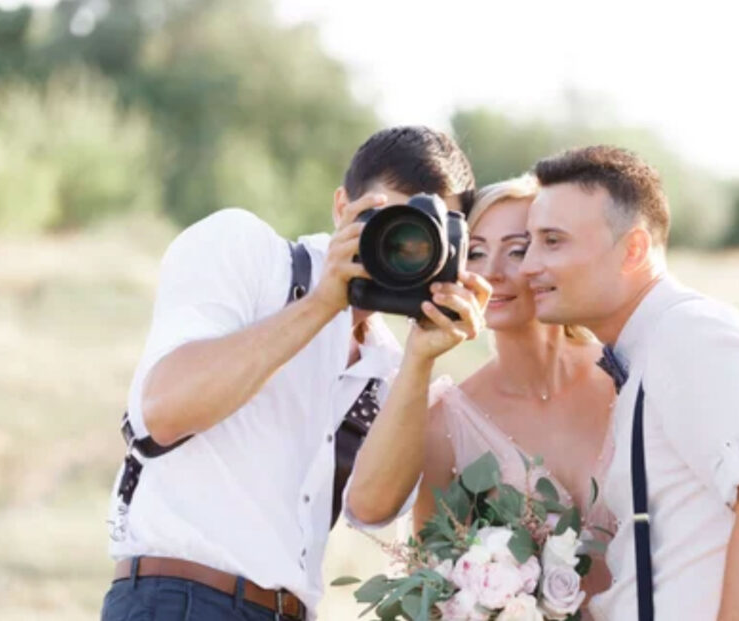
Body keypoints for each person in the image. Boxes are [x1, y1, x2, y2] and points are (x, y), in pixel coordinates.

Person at [100, 126, 489, 621]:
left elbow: (371, 511)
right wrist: (325, 302)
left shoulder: (389, 364)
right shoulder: (247, 250)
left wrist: (421, 357)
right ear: (340, 206)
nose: (401, 247)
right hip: (181, 598)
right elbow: (164, 411)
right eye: (387, 221)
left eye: (423, 236)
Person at [519, 146, 739, 620]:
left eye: (553, 241)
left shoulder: (693, 338)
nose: (528, 265)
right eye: (530, 242)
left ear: (633, 249)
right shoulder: (654, 348)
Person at [347, 175, 618, 613]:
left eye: (518, 248)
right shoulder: (447, 423)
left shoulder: (628, 374)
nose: (492, 270)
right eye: (475, 252)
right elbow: (432, 590)